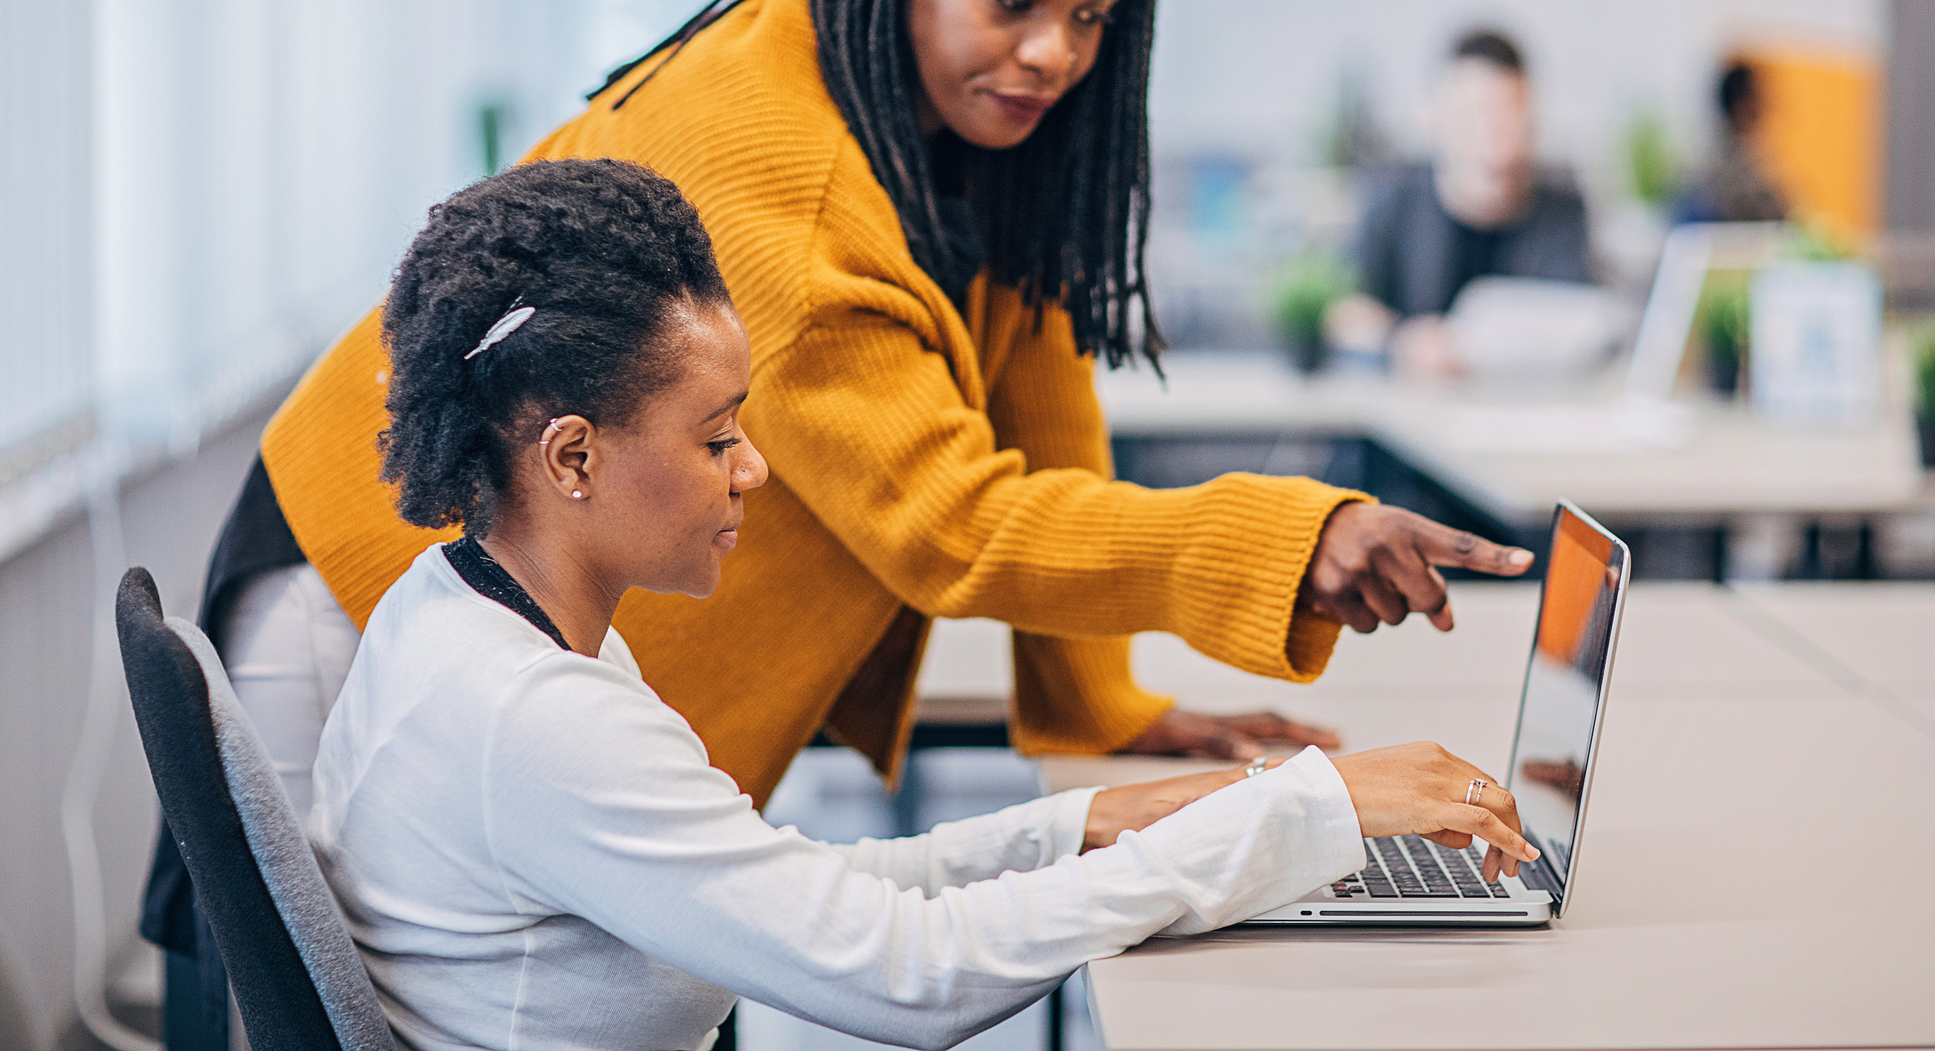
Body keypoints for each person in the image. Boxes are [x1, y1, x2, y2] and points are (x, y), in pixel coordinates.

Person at [145, 0, 1536, 1042]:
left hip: (528, 620)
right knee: (302, 1007)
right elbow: (954, 520)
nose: (1054, 50)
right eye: (1014, 2)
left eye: (1093, 16)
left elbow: (1037, 411)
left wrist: (1110, 733)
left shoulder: (949, 113)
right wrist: (1300, 554)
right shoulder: (787, 173)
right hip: (365, 583)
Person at [315, 157, 1536, 1051]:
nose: (754, 471)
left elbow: (811, 892)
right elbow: (906, 978)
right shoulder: (536, 718)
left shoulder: (464, 613)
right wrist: (1310, 812)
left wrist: (1109, 821)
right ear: (571, 457)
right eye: (718, 436)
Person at [1331, 29, 1593, 381]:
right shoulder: (1396, 194)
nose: (1493, 137)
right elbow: (1342, 311)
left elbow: (1582, 321)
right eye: (1473, 116)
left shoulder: (1561, 208)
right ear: (1435, 116)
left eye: (1508, 117)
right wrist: (1404, 342)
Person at [1675, 58, 1788, 224]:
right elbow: (1779, 220)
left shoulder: (1707, 160)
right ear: (1741, 104)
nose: (1765, 104)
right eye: (1757, 96)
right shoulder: (1741, 166)